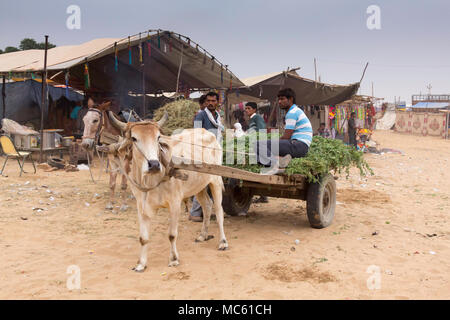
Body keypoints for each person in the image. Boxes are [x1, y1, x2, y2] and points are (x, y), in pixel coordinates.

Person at [255, 88, 312, 175]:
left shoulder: (292, 113)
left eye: (282, 99)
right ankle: (279, 160)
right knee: (263, 151)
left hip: (298, 145)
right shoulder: (295, 111)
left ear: (290, 99)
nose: (279, 102)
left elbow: (286, 137)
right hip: (301, 146)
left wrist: (273, 143)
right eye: (279, 99)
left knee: (258, 144)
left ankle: (273, 166)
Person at [189, 91, 224, 222]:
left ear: (217, 102)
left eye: (213, 101)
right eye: (208, 101)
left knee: (211, 182)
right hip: (203, 153)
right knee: (202, 183)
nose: (210, 103)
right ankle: (194, 213)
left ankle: (204, 211)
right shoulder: (201, 115)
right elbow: (196, 135)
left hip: (214, 153)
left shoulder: (217, 117)